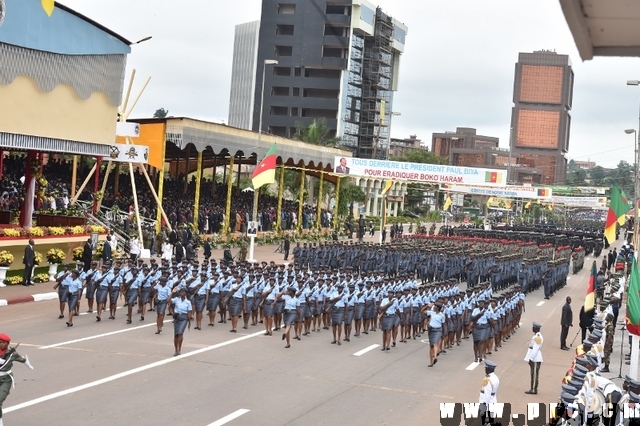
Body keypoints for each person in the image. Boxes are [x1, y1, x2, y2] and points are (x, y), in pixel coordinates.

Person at [0, 333, 34, 424]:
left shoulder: (12, 354)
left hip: (5, 380)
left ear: (8, 343)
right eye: (0, 342)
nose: (1, 344)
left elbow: (23, 360)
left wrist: (29, 366)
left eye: (3, 342)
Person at [423, 301, 445, 367]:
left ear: (438, 308)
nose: (434, 307)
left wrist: (443, 333)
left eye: (435, 306)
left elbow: (443, 324)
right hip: (431, 330)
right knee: (431, 346)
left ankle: (435, 357)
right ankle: (431, 362)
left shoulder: (442, 315)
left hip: (438, 330)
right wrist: (427, 306)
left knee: (435, 343)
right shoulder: (432, 313)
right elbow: (422, 311)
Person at [171, 288, 192, 356]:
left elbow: (189, 312)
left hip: (184, 318)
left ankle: (179, 349)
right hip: (177, 317)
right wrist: (172, 293)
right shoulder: (176, 299)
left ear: (185, 293)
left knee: (180, 333)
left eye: (183, 292)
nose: (182, 293)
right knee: (176, 335)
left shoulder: (188, 302)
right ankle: (175, 349)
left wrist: (188, 321)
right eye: (181, 292)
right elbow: (168, 301)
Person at [524, 321, 544, 395]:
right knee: (533, 374)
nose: (532, 328)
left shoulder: (537, 337)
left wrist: (531, 358)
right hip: (534, 357)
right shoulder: (536, 336)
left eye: (533, 327)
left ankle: (533, 389)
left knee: (535, 375)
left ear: (535, 328)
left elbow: (535, 349)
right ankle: (533, 388)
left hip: (535, 358)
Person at [479, 360, 499, 425]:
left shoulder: (487, 380)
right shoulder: (495, 377)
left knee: (485, 422)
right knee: (491, 421)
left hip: (487, 403)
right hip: (493, 400)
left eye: (485, 368)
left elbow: (486, 396)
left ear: (487, 369)